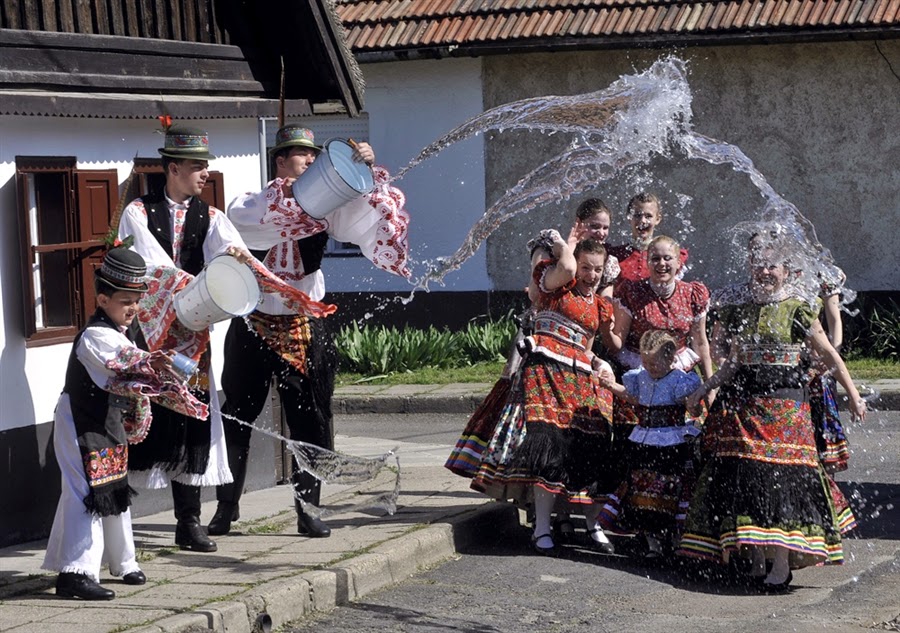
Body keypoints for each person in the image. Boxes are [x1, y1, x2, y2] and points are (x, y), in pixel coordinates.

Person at [215, 124, 411, 538]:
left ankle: (308, 510)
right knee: (238, 416)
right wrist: (298, 199)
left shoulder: (327, 208)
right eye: (301, 155)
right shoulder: (251, 203)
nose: (310, 160)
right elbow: (252, 221)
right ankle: (226, 507)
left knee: (312, 422)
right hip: (252, 321)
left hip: (304, 324)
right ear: (281, 161)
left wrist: (366, 173)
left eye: (312, 155)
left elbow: (366, 218)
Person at [678, 231, 867, 591]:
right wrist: (704, 388)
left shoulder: (797, 308)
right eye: (759, 265)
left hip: (787, 408)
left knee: (784, 482)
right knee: (751, 481)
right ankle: (758, 558)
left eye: (772, 267)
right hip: (747, 409)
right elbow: (731, 365)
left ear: (786, 270)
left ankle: (782, 561)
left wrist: (854, 395)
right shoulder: (740, 310)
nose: (764, 272)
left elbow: (829, 354)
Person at [117, 126, 253, 552]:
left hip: (192, 337)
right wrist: (195, 287)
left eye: (205, 167)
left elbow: (233, 254)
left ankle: (188, 521)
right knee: (139, 418)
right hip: (148, 337)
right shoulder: (137, 212)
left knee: (192, 417)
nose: (203, 175)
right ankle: (117, 520)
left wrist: (238, 267)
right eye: (196, 167)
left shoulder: (211, 217)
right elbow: (151, 266)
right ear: (173, 168)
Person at [42, 248, 200, 599]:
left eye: (136, 301)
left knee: (112, 487)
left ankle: (123, 561)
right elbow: (126, 360)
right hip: (79, 422)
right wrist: (155, 362)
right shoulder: (96, 335)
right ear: (102, 298)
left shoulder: (121, 329)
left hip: (105, 421)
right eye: (125, 301)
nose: (133, 308)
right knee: (85, 494)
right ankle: (74, 574)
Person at [470, 235, 618, 555]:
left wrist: (599, 363)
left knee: (589, 448)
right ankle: (541, 529)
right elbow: (565, 263)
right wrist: (560, 242)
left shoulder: (598, 306)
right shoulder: (556, 284)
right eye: (586, 267)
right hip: (545, 372)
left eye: (597, 269)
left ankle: (592, 525)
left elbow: (586, 348)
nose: (591, 275)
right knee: (547, 446)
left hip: (577, 378)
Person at [598, 330, 701, 559]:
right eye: (645, 362)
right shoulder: (640, 377)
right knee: (643, 489)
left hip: (670, 444)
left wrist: (695, 407)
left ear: (670, 358)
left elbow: (691, 405)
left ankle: (674, 540)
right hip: (644, 441)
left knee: (669, 489)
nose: (649, 367)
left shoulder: (680, 381)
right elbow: (634, 397)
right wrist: (611, 386)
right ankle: (652, 542)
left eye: (654, 362)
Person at [606, 192, 688, 288]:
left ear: (657, 219)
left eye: (648, 216)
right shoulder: (615, 256)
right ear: (629, 217)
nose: (642, 221)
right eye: (637, 215)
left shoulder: (672, 257)